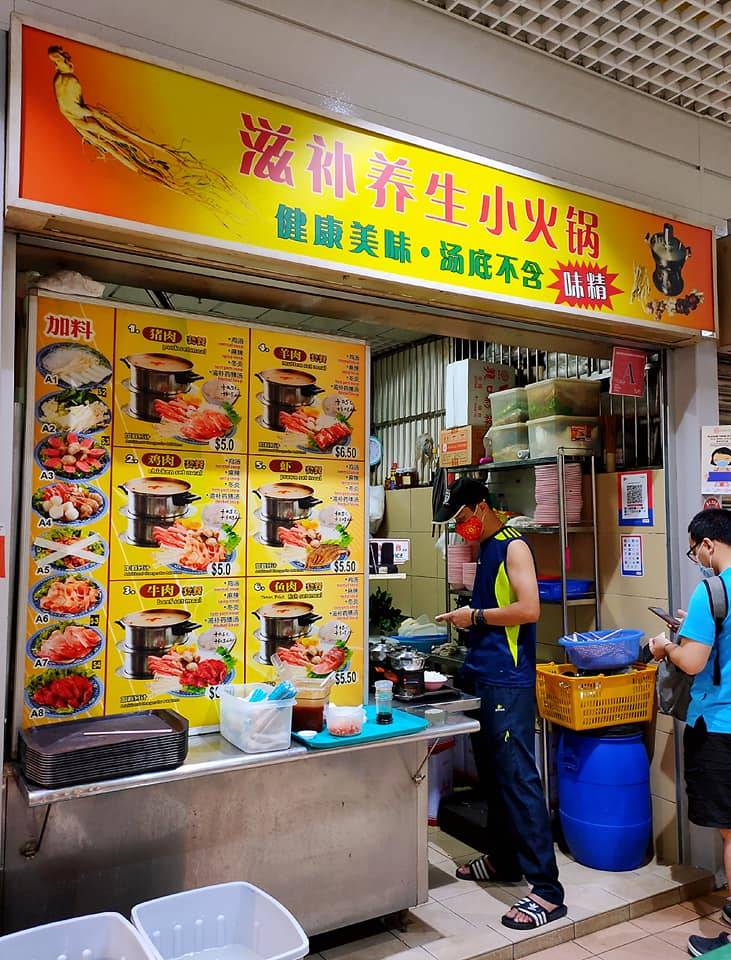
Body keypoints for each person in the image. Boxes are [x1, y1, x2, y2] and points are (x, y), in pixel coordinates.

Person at [434, 477, 566, 931]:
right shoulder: (485, 549)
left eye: (463, 519)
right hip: (483, 673)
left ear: (481, 507)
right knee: (493, 775)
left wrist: (473, 617)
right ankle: (506, 860)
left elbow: (530, 609)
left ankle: (547, 890)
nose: (461, 528)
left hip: (509, 679)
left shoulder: (514, 547)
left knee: (518, 778)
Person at [649, 509, 731, 957]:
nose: (696, 556)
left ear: (708, 545)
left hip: (720, 726)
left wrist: (667, 647)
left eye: (694, 548)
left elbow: (694, 663)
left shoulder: (711, 590)